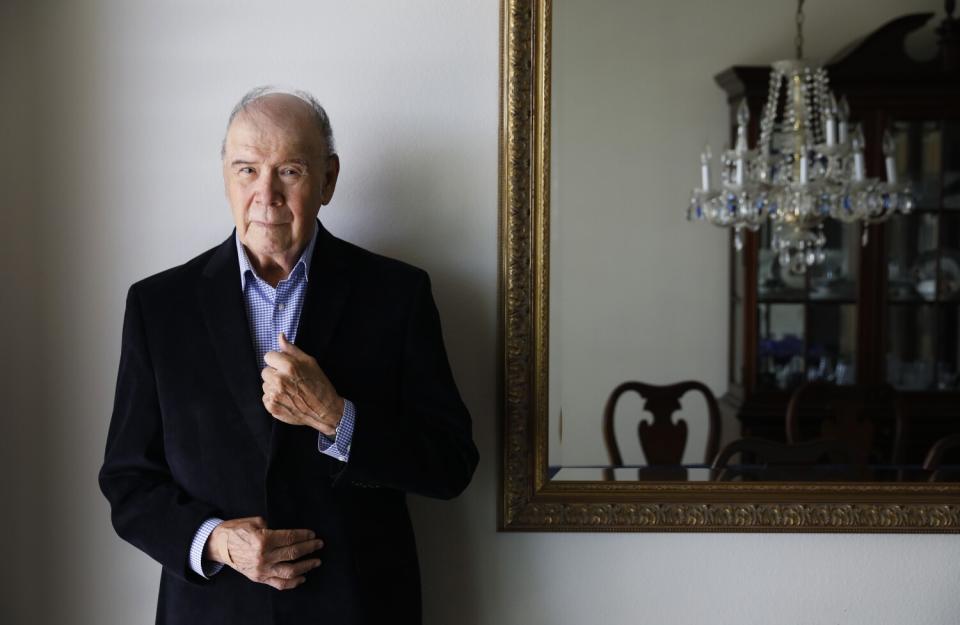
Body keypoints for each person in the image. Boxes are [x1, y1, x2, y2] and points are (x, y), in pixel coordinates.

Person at [99, 87, 479, 625]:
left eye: (291, 171)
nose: (266, 195)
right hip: (213, 611)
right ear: (225, 176)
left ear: (329, 178)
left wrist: (337, 418)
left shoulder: (398, 295)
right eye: (247, 169)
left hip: (360, 609)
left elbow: (451, 464)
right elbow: (127, 480)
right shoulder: (159, 306)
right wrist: (215, 542)